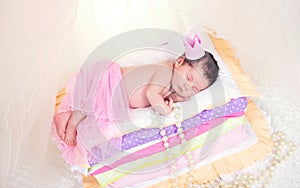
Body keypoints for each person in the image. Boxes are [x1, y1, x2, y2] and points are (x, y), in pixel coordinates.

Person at [53, 34, 219, 147]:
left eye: (195, 89)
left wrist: (179, 98)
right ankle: (71, 120)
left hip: (119, 97)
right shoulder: (164, 72)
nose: (187, 86)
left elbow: (169, 94)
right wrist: (165, 109)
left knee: (97, 114)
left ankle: (66, 117)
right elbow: (151, 94)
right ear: (179, 62)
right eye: (189, 78)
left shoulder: (174, 82)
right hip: (112, 83)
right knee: (92, 105)